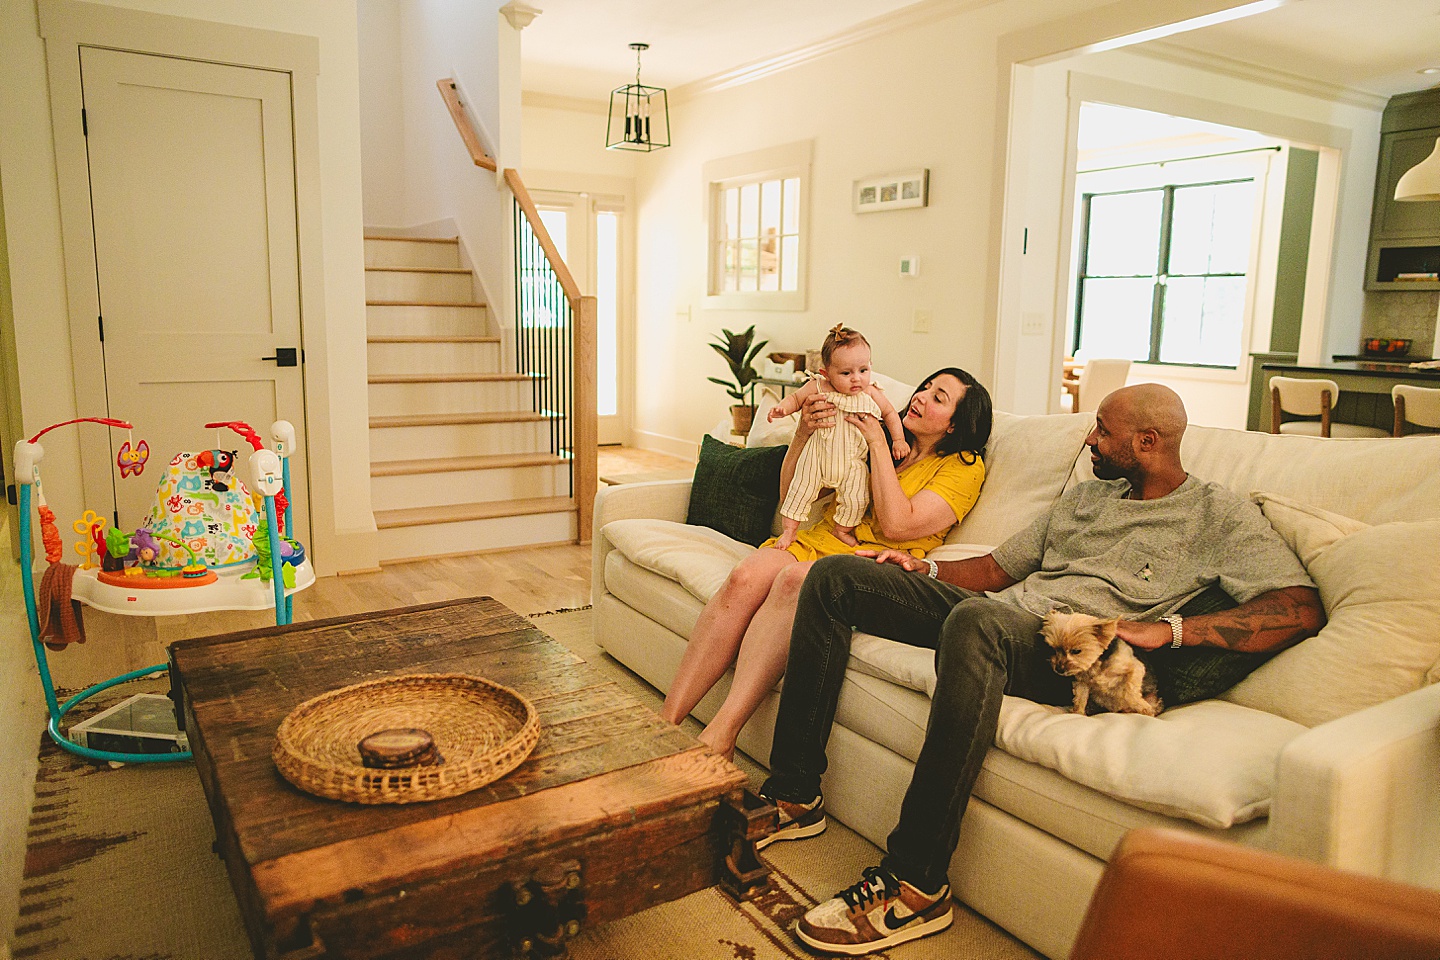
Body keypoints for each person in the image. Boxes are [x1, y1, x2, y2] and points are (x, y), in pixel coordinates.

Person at [758, 383, 1327, 955]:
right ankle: (794, 793)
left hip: (1060, 652)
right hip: (998, 615)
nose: (1090, 440)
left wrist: (1170, 631)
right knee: (836, 578)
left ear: (1148, 442)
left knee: (976, 623)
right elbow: (995, 568)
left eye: (1103, 430)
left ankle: (916, 882)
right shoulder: (1087, 499)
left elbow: (1300, 607)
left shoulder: (1214, 514)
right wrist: (920, 569)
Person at [660, 367, 994, 764]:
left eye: (938, 397)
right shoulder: (875, 432)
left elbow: (897, 523)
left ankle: (721, 734)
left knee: (793, 581)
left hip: (870, 566)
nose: (920, 396)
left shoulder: (963, 467)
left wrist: (877, 444)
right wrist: (803, 434)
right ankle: (665, 725)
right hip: (821, 538)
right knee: (744, 577)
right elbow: (794, 495)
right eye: (925, 387)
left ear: (957, 424)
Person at [767, 325, 907, 548]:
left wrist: (898, 439)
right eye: (846, 373)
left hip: (853, 463)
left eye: (863, 370)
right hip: (817, 457)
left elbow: (890, 413)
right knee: (799, 492)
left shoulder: (871, 392)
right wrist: (782, 409)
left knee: (857, 498)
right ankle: (789, 531)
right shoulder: (818, 387)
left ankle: (841, 530)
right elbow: (795, 399)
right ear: (826, 373)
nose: (856, 379)